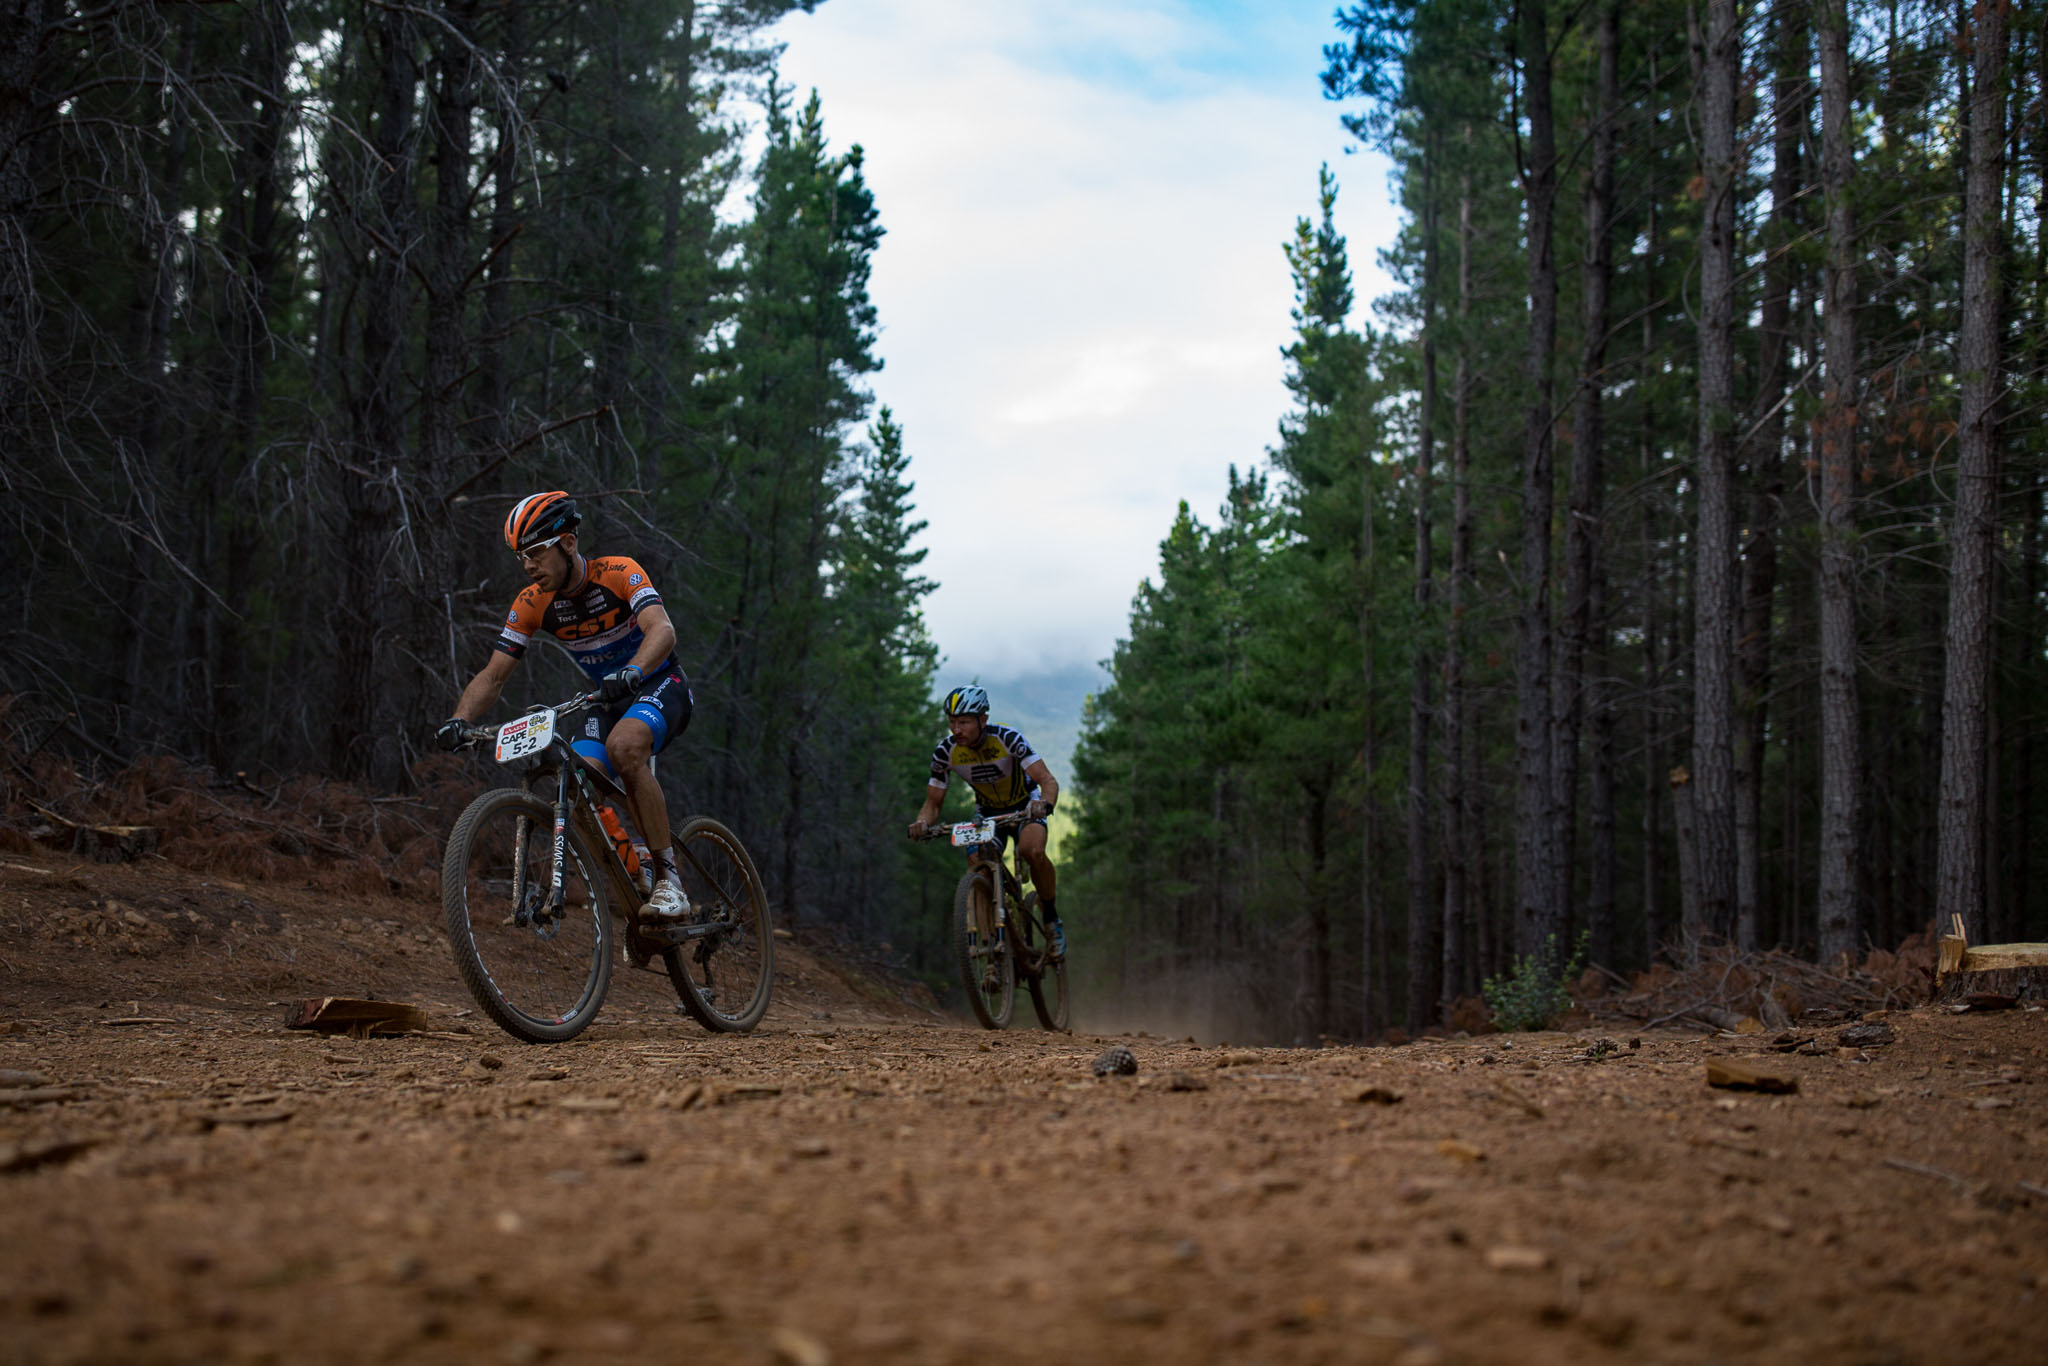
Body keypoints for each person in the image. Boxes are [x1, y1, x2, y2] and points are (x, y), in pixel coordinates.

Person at [436, 490, 693, 919]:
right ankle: (637, 870)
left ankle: (670, 880)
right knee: (578, 780)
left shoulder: (618, 573)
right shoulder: (531, 603)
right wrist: (459, 720)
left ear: (568, 544)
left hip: (660, 683)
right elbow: (493, 675)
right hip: (606, 699)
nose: (529, 565)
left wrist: (632, 669)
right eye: (521, 556)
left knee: (625, 748)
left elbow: (662, 630)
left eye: (536, 552)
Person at [906, 685, 1064, 956]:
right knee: (977, 864)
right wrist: (922, 822)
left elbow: (1047, 780)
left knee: (1031, 850)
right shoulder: (946, 752)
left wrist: (1044, 804)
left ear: (983, 720)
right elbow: (933, 803)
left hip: (1025, 804)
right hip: (988, 812)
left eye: (964, 722)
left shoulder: (1007, 739)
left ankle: (1051, 918)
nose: (957, 729)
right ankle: (992, 947)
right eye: (952, 722)